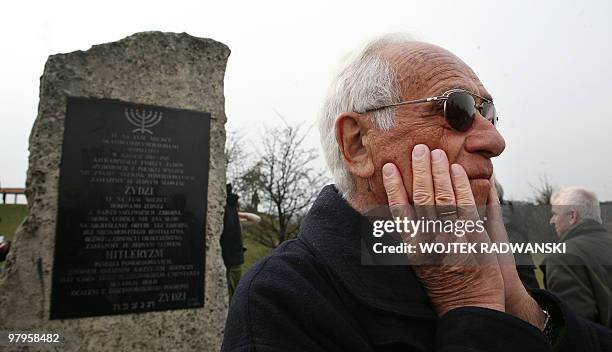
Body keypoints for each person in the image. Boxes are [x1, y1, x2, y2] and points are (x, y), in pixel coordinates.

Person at [222, 35, 612, 351]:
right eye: (456, 109)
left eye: (489, 112)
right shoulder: (283, 299)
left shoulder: (499, 256)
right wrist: (474, 309)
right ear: (358, 144)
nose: (495, 139)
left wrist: (521, 307)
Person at [541, 187, 612, 327]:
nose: (552, 221)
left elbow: (576, 329)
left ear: (572, 216)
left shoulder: (563, 257)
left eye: (555, 214)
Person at [220, 184, 245, 299]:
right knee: (235, 295)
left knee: (232, 295)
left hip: (230, 260)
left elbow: (257, 219)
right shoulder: (231, 209)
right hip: (236, 258)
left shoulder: (226, 210)